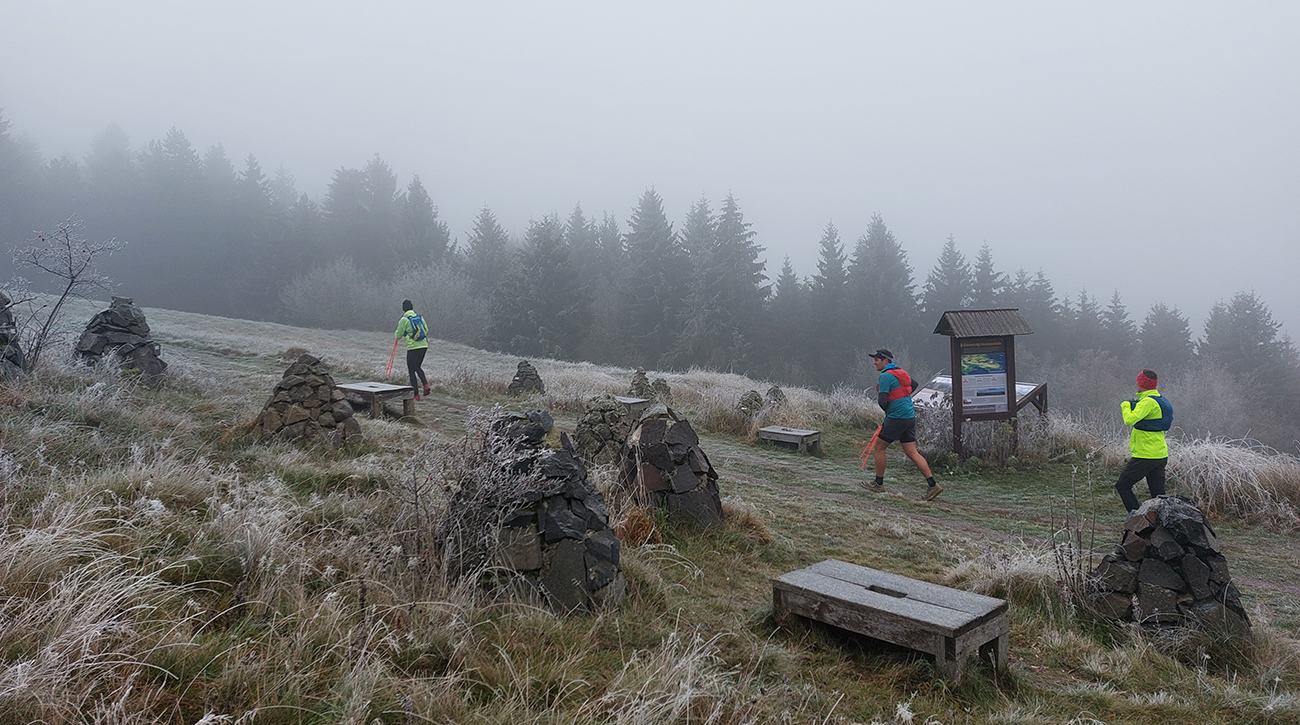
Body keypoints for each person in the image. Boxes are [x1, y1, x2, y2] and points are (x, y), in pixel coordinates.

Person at [864, 348, 942, 500]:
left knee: (879, 447)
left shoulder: (886, 376)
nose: (874, 363)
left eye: (877, 360)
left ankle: (878, 484)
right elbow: (914, 384)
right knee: (911, 452)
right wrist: (901, 398)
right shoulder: (901, 372)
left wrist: (891, 412)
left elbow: (882, 401)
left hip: (896, 417)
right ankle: (933, 485)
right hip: (909, 416)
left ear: (886, 360)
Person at [1115, 369, 1172, 512]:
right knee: (1158, 496)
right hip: (1160, 454)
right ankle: (1162, 521)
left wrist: (1125, 405)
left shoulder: (1147, 402)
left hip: (1145, 455)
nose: (1136, 385)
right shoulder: (1161, 400)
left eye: (1137, 382)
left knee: (1122, 485)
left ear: (1141, 384)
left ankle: (1137, 518)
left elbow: (1129, 420)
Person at [394, 300, 431, 400]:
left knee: (411, 370)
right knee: (417, 367)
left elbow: (398, 335)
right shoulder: (420, 317)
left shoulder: (404, 319)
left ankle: (416, 394)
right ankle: (425, 385)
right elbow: (426, 330)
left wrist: (405, 333)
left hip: (413, 347)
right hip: (424, 346)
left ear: (403, 309)